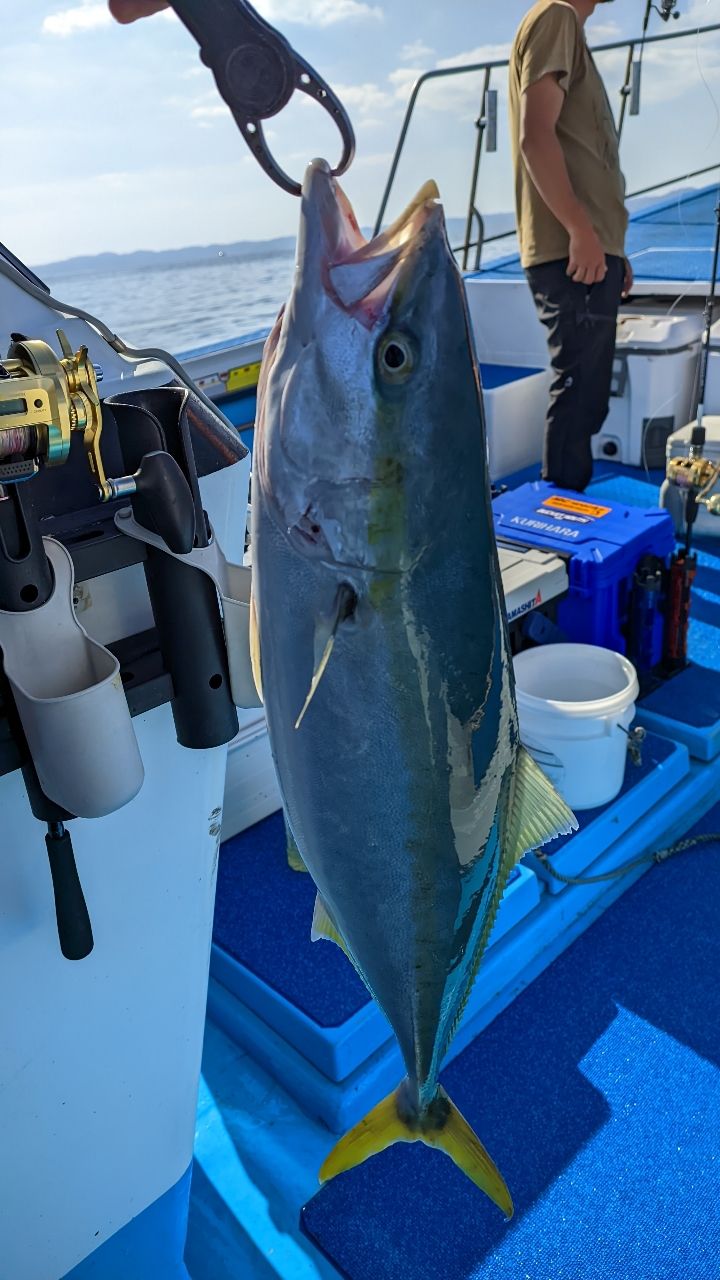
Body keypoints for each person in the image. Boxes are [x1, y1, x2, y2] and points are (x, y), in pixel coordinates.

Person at [509, 0, 633, 493]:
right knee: (579, 391)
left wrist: (609, 247)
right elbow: (535, 138)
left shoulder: (567, 29)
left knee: (589, 397)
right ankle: (557, 523)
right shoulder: (556, 16)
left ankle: (563, 509)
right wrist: (581, 232)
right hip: (570, 250)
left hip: (587, 251)